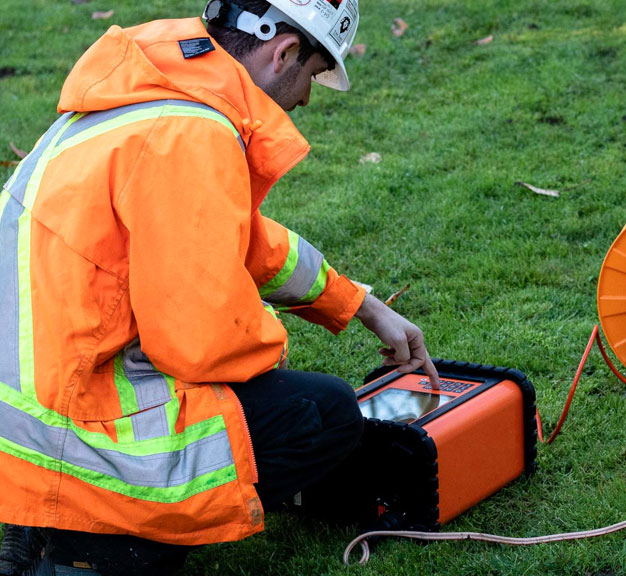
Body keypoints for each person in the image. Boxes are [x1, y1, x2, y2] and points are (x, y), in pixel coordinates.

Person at [0, 0, 440, 574]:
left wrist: (357, 303)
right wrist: (273, 354)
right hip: (77, 429)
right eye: (310, 76)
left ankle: (41, 522)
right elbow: (202, 343)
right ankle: (91, 547)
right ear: (283, 52)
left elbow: (239, 238)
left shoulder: (154, 93)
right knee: (322, 411)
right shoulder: (194, 134)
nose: (305, 98)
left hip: (24, 425)